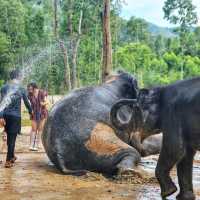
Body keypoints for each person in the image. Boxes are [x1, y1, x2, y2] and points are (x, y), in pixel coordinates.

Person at [0, 69, 32, 168]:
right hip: (15, 117)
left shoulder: (4, 87)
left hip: (5, 115)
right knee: (12, 139)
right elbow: (27, 103)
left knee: (9, 137)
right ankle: (8, 161)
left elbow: (1, 102)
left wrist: (1, 116)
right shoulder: (21, 89)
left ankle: (12, 156)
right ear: (18, 77)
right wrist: (31, 112)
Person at [27, 82, 48, 151]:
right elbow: (29, 104)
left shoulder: (42, 92)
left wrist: (43, 103)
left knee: (40, 129)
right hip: (34, 113)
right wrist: (30, 111)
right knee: (33, 129)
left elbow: (46, 102)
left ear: (35, 88)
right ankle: (31, 145)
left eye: (31, 89)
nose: (30, 90)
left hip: (42, 113)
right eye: (29, 89)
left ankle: (38, 145)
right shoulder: (29, 95)